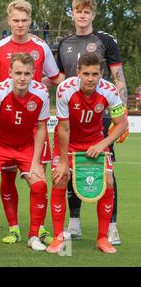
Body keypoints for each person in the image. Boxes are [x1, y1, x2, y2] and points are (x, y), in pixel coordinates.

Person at [0, 0, 64, 246]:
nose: (20, 25)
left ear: (30, 21)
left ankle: (37, 231)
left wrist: (74, 87)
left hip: (31, 128)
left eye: (24, 20)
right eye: (15, 20)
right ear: (9, 21)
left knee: (39, 179)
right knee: (1, 181)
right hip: (3, 125)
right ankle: (10, 229)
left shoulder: (41, 48)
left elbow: (54, 78)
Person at [56, 0, 129, 245]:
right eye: (78, 11)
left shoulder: (105, 41)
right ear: (73, 14)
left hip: (102, 114)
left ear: (93, 15)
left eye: (87, 11)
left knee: (107, 172)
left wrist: (123, 108)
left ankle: (111, 227)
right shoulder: (64, 42)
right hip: (72, 113)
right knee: (70, 168)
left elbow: (117, 76)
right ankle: (73, 221)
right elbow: (59, 78)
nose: (82, 15)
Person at [47, 52, 127, 254]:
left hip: (94, 141)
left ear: (101, 74)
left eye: (94, 74)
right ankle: (58, 238)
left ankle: (102, 238)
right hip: (68, 141)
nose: (90, 79)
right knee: (59, 179)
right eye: (86, 74)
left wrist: (103, 144)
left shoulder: (109, 91)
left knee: (108, 182)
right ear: (78, 73)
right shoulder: (65, 89)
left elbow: (121, 125)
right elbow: (63, 129)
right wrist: (64, 162)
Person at [0, 53, 50, 252]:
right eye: (18, 72)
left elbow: (41, 127)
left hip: (24, 145)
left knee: (39, 184)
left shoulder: (41, 93)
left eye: (27, 73)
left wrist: (36, 162)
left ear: (33, 74)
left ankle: (34, 236)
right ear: (10, 72)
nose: (22, 77)